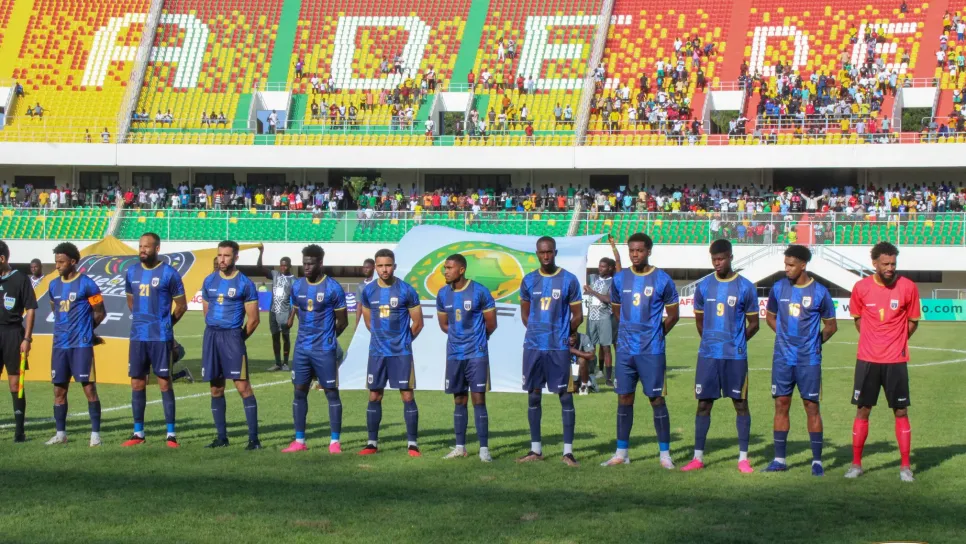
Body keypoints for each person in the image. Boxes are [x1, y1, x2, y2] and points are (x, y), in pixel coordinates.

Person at [602, 233, 680, 468]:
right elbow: (617, 310)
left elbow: (673, 315)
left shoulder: (663, 279)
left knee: (656, 399)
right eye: (631, 250)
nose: (635, 255)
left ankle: (665, 455)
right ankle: (621, 453)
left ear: (649, 251)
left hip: (651, 351)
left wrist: (655, 334)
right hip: (626, 350)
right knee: (624, 398)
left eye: (639, 250)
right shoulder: (620, 279)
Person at [682, 239, 760, 473]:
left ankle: (743, 459)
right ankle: (697, 458)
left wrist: (737, 342)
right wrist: (710, 342)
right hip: (708, 356)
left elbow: (754, 323)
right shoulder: (704, 286)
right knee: (703, 404)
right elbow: (699, 320)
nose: (717, 263)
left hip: (735, 357)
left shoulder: (745, 287)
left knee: (741, 404)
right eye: (714, 259)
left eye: (721, 259)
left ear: (731, 257)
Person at [846, 242, 920, 482]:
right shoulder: (861, 287)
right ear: (874, 263)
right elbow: (858, 320)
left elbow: (913, 321)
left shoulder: (908, 287)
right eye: (886, 264)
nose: (890, 268)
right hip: (867, 360)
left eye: (893, 264)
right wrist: (873, 340)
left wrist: (896, 342)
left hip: (896, 361)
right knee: (863, 410)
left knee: (901, 410)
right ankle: (856, 465)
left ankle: (905, 467)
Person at [763, 245, 837, 476]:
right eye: (785, 264)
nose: (787, 269)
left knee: (811, 406)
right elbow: (770, 317)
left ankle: (817, 461)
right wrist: (784, 336)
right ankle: (779, 459)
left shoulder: (820, 292)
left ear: (803, 265)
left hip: (809, 360)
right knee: (781, 404)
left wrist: (814, 343)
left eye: (791, 265)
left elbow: (831, 326)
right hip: (783, 358)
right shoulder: (778, 288)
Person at [517, 236, 583, 466]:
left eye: (549, 252)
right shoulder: (529, 280)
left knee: (565, 396)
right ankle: (535, 449)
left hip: (558, 347)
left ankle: (568, 452)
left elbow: (578, 315)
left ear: (555, 252)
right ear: (537, 253)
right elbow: (525, 314)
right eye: (542, 252)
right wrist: (537, 331)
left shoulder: (569, 280)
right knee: (533, 395)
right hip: (534, 346)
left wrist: (566, 332)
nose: (546, 256)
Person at [120, 233, 187, 448]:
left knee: (164, 382)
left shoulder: (169, 273)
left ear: (157, 248)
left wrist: (166, 324)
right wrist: (143, 320)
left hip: (160, 337)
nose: (142, 250)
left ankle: (171, 435)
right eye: (140, 246)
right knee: (137, 382)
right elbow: (131, 301)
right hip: (138, 336)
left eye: (147, 247)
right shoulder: (132, 272)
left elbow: (182, 305)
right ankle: (138, 433)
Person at [282, 244, 348, 454]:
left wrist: (328, 338)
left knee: (331, 393)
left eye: (311, 263)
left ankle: (334, 442)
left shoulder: (333, 288)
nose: (307, 267)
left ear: (320, 263)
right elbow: (297, 310)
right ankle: (299, 441)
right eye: (304, 263)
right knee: (299, 392)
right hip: (302, 349)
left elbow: (343, 322)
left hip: (324, 350)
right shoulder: (297, 286)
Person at [358, 248, 424, 456]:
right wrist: (381, 339)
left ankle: (412, 444)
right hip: (377, 352)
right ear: (375, 267)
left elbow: (418, 323)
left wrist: (403, 341)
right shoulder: (368, 291)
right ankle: (372, 443)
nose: (384, 270)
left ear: (394, 266)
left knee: (407, 395)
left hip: (400, 353)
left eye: (388, 265)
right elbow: (368, 322)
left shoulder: (406, 290)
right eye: (380, 266)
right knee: (374, 395)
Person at [435, 254, 497, 462]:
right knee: (459, 399)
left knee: (478, 399)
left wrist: (476, 339)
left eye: (449, 268)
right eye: (445, 268)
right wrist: (458, 338)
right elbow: (444, 324)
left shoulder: (479, 291)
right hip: (454, 354)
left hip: (476, 354)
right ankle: (460, 447)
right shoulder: (443, 294)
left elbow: (491, 324)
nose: (446, 271)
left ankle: (484, 450)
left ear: (461, 270)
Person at [201, 240, 262, 449]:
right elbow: (206, 312)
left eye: (226, 256)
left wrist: (238, 338)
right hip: (212, 337)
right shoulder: (209, 280)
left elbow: (253, 320)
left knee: (243, 387)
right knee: (216, 388)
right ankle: (221, 438)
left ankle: (253, 440)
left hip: (233, 337)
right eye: (219, 255)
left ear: (236, 257)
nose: (222, 259)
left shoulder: (245, 283)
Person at [45, 242, 106, 446]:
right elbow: (55, 310)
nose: (57, 266)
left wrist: (87, 330)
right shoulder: (53, 285)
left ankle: (95, 435)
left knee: (89, 389)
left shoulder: (87, 284)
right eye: (56, 262)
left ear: (72, 262)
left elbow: (100, 312)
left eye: (61, 262)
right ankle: (60, 434)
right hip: (60, 345)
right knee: (59, 391)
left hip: (81, 345)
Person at [0, 241, 37, 442]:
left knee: (15, 384)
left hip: (13, 334)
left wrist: (27, 338)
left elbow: (30, 309)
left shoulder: (20, 279)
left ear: (2, 259)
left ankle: (19, 432)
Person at [584, 235, 622, 386]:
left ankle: (608, 378)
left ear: (610, 268)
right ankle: (592, 374)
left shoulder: (614, 281)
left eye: (603, 266)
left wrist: (613, 246)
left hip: (605, 317)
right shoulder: (593, 278)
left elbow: (608, 299)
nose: (600, 268)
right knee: (590, 347)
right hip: (591, 318)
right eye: (599, 266)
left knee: (606, 347)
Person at [257, 247, 295, 371]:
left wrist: (292, 317)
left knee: (285, 338)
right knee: (275, 337)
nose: (282, 268)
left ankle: (285, 363)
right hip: (273, 312)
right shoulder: (275, 275)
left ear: (290, 266)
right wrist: (261, 252)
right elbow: (259, 267)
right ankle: (277, 363)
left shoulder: (294, 280)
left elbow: (297, 301)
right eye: (281, 265)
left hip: (285, 313)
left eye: (285, 266)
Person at [355, 258, 375, 324]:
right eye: (364, 267)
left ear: (373, 268)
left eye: (367, 268)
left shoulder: (379, 283)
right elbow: (359, 306)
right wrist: (357, 324)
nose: (365, 270)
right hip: (365, 322)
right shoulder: (360, 286)